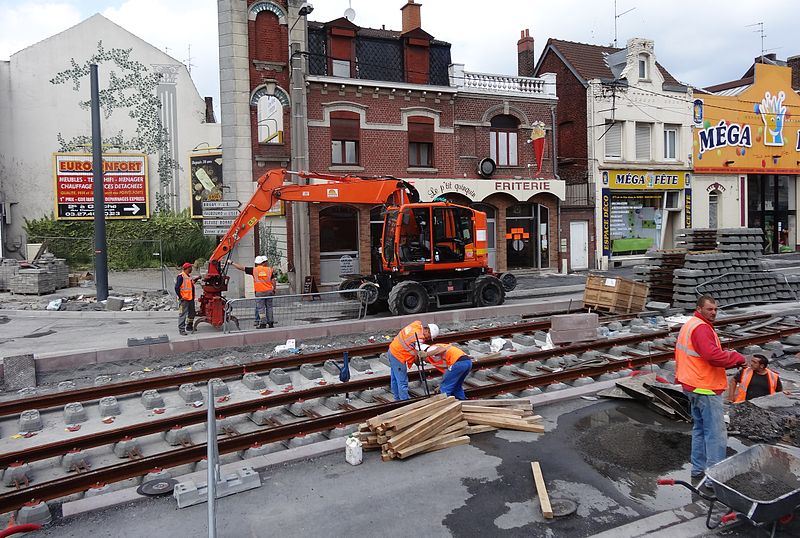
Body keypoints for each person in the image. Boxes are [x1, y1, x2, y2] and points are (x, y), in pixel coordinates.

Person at [675, 295, 746, 488]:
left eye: (715, 309)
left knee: (700, 430)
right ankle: (714, 480)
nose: (713, 312)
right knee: (715, 434)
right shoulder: (701, 328)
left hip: (691, 385)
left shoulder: (690, 324)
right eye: (709, 309)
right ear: (699, 309)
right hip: (705, 388)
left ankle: (698, 470)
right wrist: (736, 357)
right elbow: (712, 356)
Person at [387, 320, 440, 400]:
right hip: (398, 356)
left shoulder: (416, 325)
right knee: (402, 382)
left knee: (395, 378)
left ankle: (397, 399)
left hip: (392, 350)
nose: (427, 338)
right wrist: (418, 362)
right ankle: (404, 402)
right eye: (429, 336)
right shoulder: (419, 339)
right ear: (427, 330)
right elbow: (415, 355)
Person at [230, 256, 277, 329]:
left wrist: (232, 263)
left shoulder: (254, 270)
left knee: (261, 309)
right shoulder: (269, 270)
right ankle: (271, 323)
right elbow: (273, 281)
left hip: (260, 292)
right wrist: (274, 289)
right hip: (269, 291)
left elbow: (241, 268)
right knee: (269, 307)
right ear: (263, 262)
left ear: (256, 263)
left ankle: (263, 323)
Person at [175, 262, 201, 336]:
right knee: (182, 314)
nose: (191, 269)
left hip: (190, 299)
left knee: (192, 313)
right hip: (184, 300)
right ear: (187, 268)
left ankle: (189, 326)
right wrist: (180, 297)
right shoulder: (181, 276)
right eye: (190, 268)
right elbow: (176, 287)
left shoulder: (188, 276)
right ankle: (181, 329)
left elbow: (191, 283)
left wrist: (197, 279)